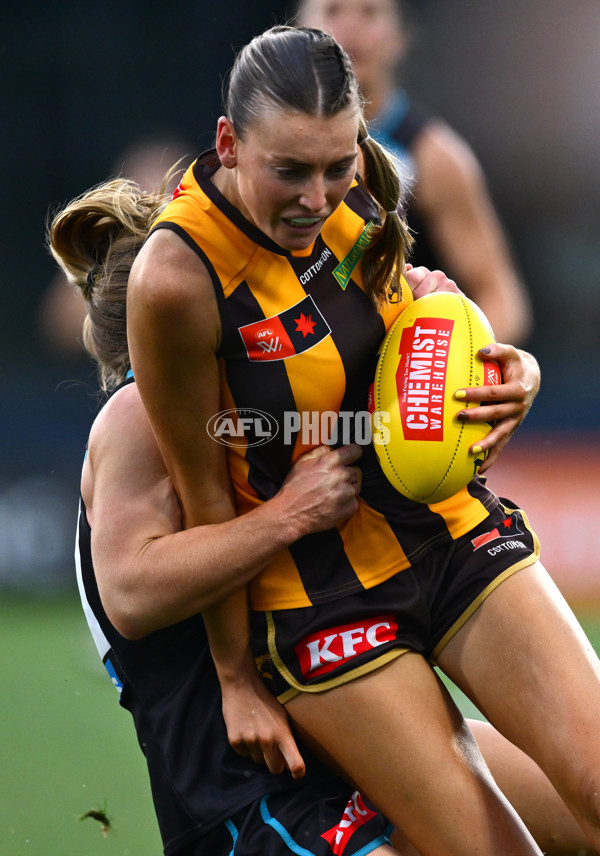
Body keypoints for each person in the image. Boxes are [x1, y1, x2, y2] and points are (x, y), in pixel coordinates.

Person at [125, 24, 600, 854]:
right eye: (290, 171)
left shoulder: (368, 191)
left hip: (447, 532)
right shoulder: (175, 279)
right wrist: (235, 680)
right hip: (317, 605)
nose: (318, 197)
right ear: (229, 144)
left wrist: (505, 374)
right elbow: (204, 490)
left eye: (337, 165)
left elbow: (419, 347)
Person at [296, 0, 533, 346]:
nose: (350, 27)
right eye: (333, 10)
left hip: (391, 385)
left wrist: (453, 367)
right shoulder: (264, 144)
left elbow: (503, 300)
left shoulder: (434, 157)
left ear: (400, 37)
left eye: (369, 12)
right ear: (298, 32)